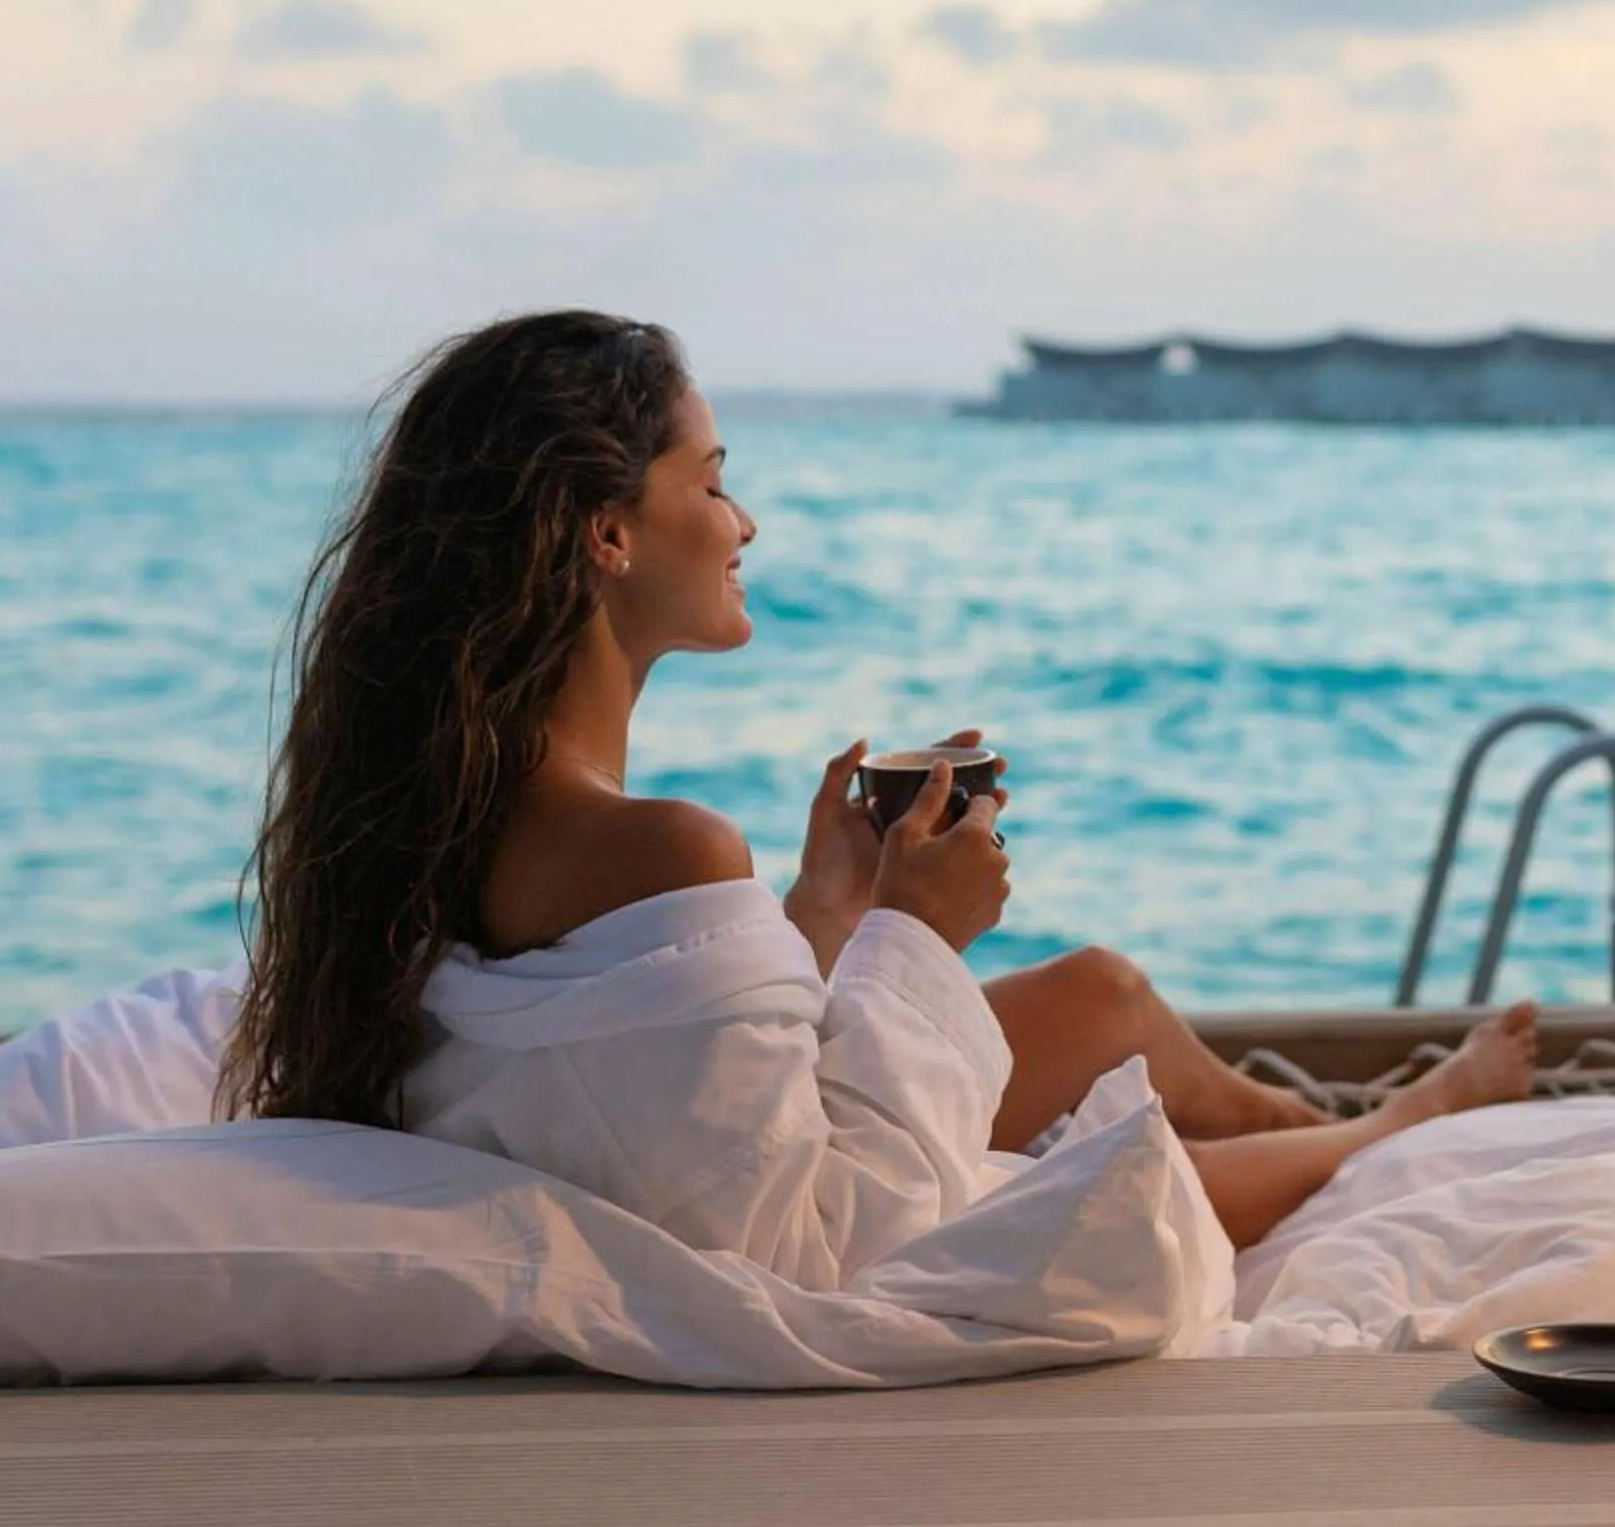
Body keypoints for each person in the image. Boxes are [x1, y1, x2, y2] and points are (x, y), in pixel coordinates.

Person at [216, 310, 1537, 1254]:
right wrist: (918, 929)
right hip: (822, 1217)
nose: (744, 523)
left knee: (1102, 994)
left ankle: (1308, 1120)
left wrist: (828, 905)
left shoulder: (448, 799)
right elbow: (831, 1228)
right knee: (1114, 1165)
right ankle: (1405, 1126)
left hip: (660, 1158)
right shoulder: (663, 843)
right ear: (607, 531)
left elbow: (665, 1086)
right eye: (715, 482)